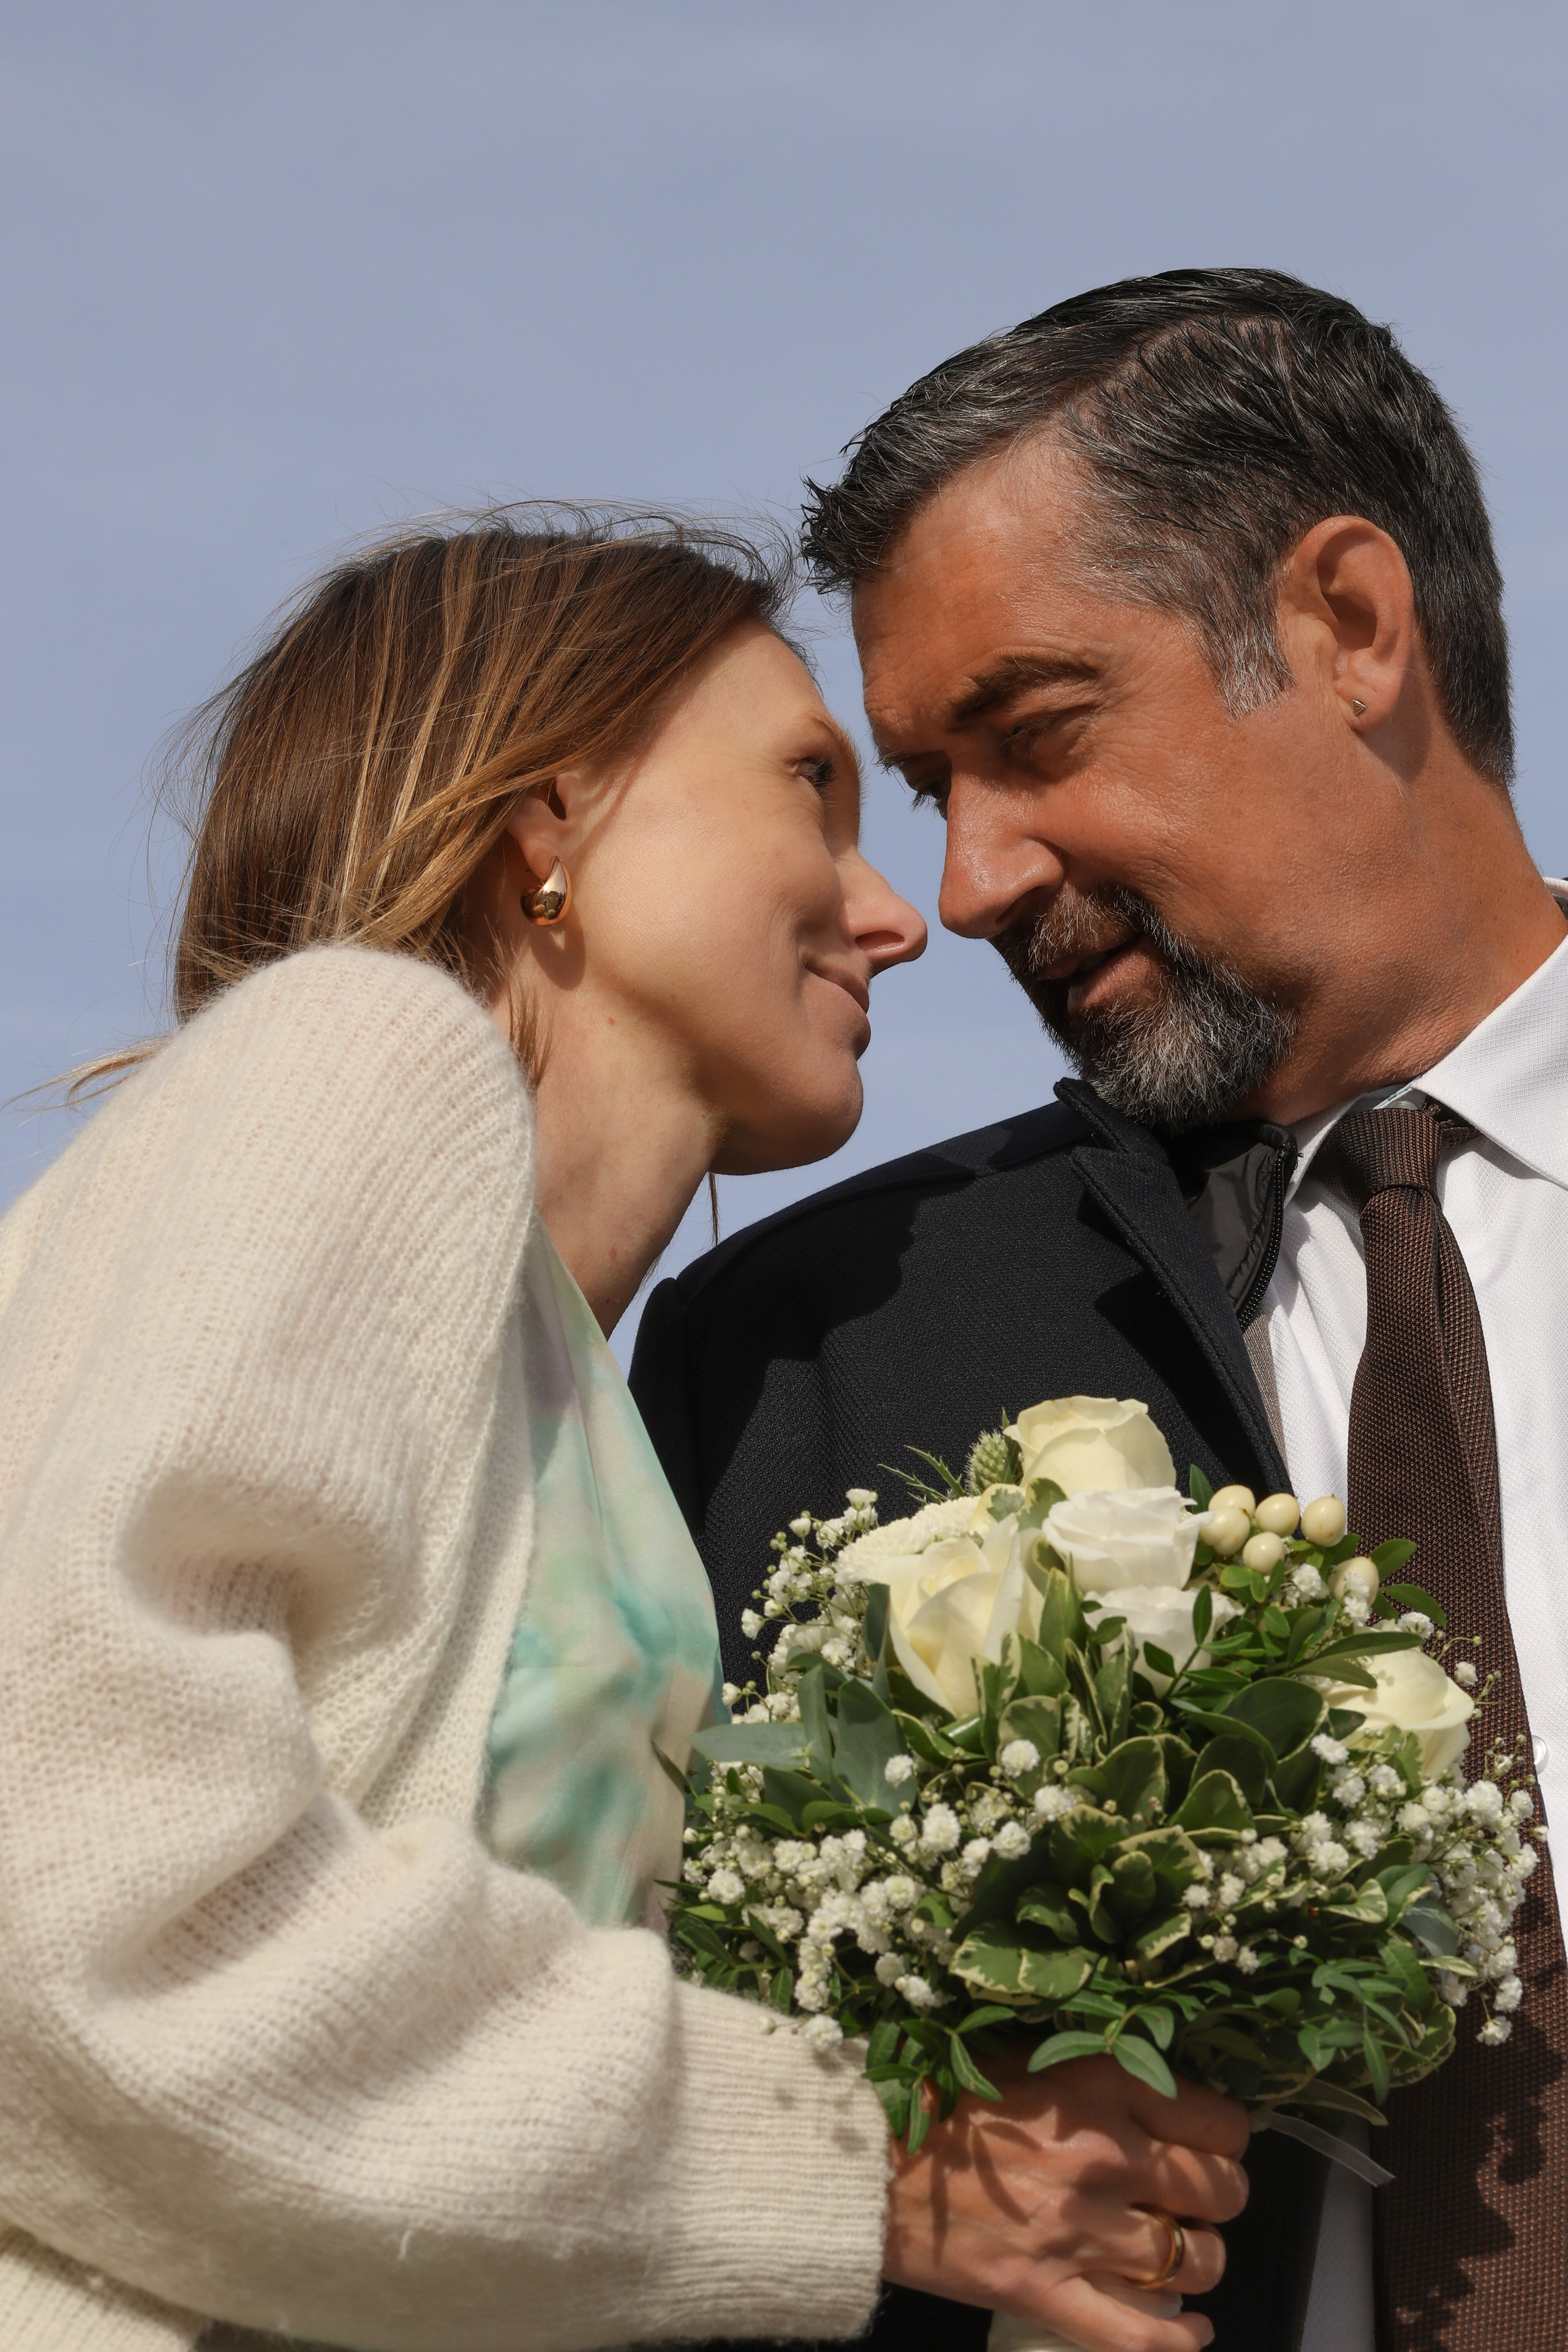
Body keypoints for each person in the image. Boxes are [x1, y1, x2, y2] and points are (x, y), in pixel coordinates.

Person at [0, 508, 1248, 2352]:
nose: (904, 913)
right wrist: (869, 2166)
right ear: (549, 818)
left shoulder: (576, 1376)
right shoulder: (350, 1058)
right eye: (811, 790)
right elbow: (84, 1922)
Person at [630, 270, 1568, 2352]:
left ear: (1348, 625)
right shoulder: (806, 1349)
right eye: (920, 780)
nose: (965, 882)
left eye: (1037, 736)